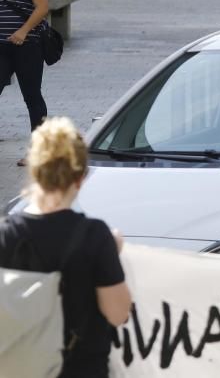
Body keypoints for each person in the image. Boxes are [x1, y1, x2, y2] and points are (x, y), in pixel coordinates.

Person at [0, 117, 131, 378]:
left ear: (33, 171)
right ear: (81, 177)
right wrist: (112, 254)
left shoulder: (5, 234)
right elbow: (118, 314)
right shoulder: (95, 237)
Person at [0, 0, 49, 162]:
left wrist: (23, 31)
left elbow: (42, 7)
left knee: (31, 95)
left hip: (28, 45)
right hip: (1, 45)